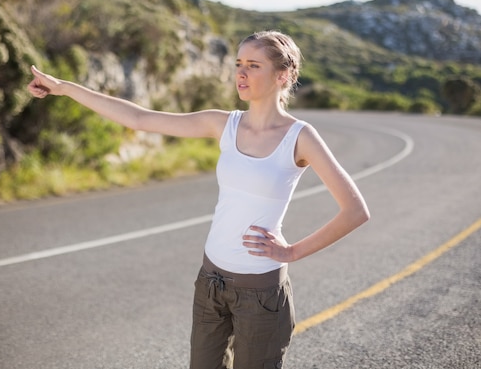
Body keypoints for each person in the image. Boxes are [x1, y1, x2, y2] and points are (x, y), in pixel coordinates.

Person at [27, 30, 370, 369]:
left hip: (260, 294)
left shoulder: (300, 137)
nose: (241, 73)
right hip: (210, 283)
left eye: (253, 65)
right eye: (238, 63)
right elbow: (140, 119)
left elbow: (355, 210)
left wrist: (292, 251)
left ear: (283, 75)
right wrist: (64, 89)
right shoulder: (223, 124)